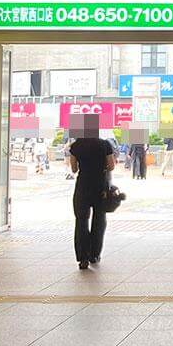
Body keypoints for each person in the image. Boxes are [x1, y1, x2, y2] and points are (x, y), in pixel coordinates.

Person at [68, 115, 117, 270]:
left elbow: (74, 169)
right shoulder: (104, 144)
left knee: (81, 221)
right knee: (99, 219)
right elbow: (111, 166)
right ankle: (94, 254)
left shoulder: (76, 146)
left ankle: (83, 258)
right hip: (100, 186)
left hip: (82, 185)